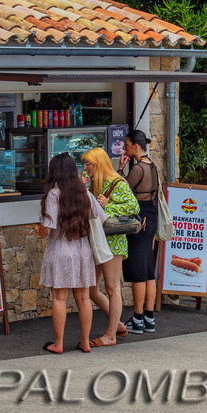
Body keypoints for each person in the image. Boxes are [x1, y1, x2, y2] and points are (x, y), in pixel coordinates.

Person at [37, 152, 107, 353]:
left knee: (59, 298)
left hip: (60, 249)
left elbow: (47, 226)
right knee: (84, 298)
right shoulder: (84, 192)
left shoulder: (54, 194)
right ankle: (85, 342)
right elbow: (101, 218)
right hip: (82, 250)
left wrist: (39, 226)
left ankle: (58, 344)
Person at [81, 147, 139, 344]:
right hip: (99, 241)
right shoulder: (96, 184)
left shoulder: (117, 182)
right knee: (91, 289)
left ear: (98, 164)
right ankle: (118, 326)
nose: (85, 167)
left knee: (112, 287)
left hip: (113, 242)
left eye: (88, 163)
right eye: (85, 163)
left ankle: (111, 335)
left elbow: (133, 207)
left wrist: (109, 205)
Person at [121, 129, 162, 334]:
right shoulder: (152, 166)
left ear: (136, 147)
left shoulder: (138, 169)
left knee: (137, 270)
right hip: (151, 217)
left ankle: (137, 319)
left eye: (127, 145)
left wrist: (120, 169)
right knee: (147, 269)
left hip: (140, 219)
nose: (124, 149)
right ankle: (149, 317)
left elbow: (122, 192)